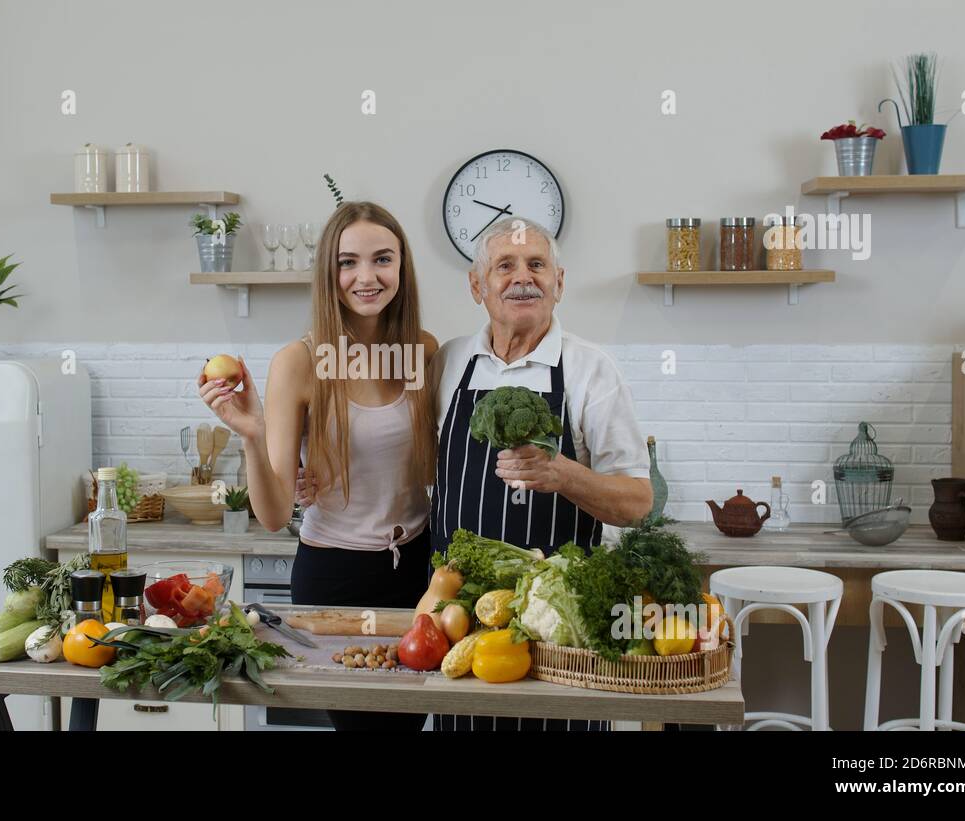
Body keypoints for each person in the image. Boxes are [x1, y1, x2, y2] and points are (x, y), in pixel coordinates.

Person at [198, 201, 438, 732]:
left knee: (407, 725)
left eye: (382, 259)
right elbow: (274, 511)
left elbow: (432, 464)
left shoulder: (424, 351)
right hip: (337, 576)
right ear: (329, 272)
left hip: (419, 572)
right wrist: (253, 437)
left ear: (402, 267)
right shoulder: (299, 362)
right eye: (347, 262)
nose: (366, 277)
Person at [428, 216, 652, 731]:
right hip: (460, 623)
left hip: (561, 632)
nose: (522, 277)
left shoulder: (592, 370)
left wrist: (564, 474)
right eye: (504, 265)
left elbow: (638, 502)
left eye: (536, 265)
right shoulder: (449, 362)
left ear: (559, 282)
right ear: (476, 286)